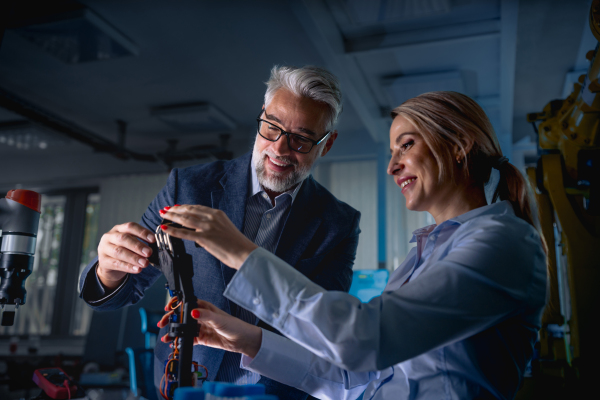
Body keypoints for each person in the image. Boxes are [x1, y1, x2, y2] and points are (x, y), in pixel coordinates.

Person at [157, 91, 548, 400]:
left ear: (460, 145)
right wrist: (249, 339)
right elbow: (353, 377)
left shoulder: (503, 241)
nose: (393, 166)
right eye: (393, 151)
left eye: (406, 145)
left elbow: (365, 339)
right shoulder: (423, 253)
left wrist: (240, 251)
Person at [78, 65, 362, 399]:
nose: (280, 149)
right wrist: (108, 270)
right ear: (262, 117)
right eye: (272, 127)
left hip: (277, 391)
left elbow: (323, 328)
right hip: (185, 382)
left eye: (301, 139)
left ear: (326, 145)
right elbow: (123, 290)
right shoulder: (189, 187)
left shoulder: (338, 223)